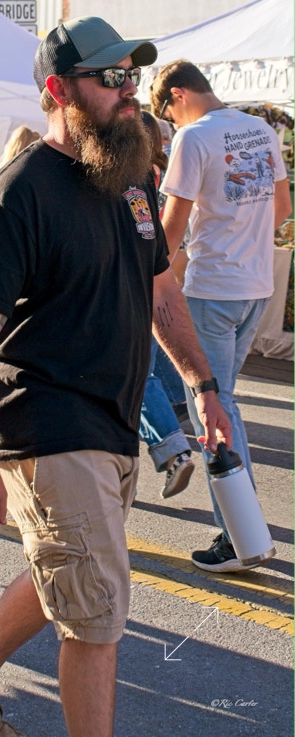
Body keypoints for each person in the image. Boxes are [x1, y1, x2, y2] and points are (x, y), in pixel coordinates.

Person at [0, 17, 231, 737]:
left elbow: (161, 292)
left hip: (113, 424)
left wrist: (203, 386)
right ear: (59, 90)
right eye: (110, 78)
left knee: (68, 575)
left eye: (132, 77)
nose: (128, 91)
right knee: (96, 615)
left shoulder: (130, 183)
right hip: (48, 426)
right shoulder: (21, 189)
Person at [151, 59, 292, 572]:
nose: (171, 123)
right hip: (256, 286)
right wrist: (241, 236)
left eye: (167, 113)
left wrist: (149, 273)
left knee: (210, 404)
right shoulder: (260, 129)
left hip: (213, 286)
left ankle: (239, 535)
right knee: (222, 400)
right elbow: (282, 208)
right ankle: (242, 529)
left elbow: (172, 225)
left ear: (178, 94)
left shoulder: (193, 138)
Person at [138, 111, 194, 498]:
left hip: (145, 276)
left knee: (137, 372)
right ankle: (178, 407)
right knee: (158, 357)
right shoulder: (166, 175)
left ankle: (173, 448)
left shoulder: (138, 181)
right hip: (167, 275)